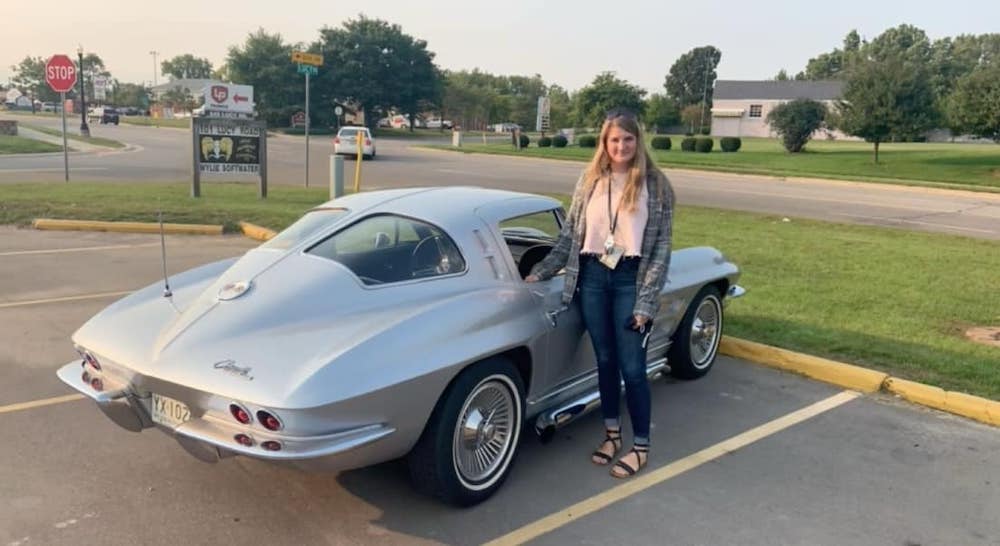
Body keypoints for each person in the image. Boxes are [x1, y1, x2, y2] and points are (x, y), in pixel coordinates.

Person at [526, 108, 674, 478]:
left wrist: (645, 302)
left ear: (637, 141)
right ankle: (612, 435)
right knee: (604, 361)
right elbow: (570, 236)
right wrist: (541, 270)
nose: (621, 146)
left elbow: (661, 250)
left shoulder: (655, 185)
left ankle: (640, 446)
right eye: (614, 140)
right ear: (603, 144)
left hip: (630, 279)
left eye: (627, 139)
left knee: (633, 368)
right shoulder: (591, 180)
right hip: (592, 276)